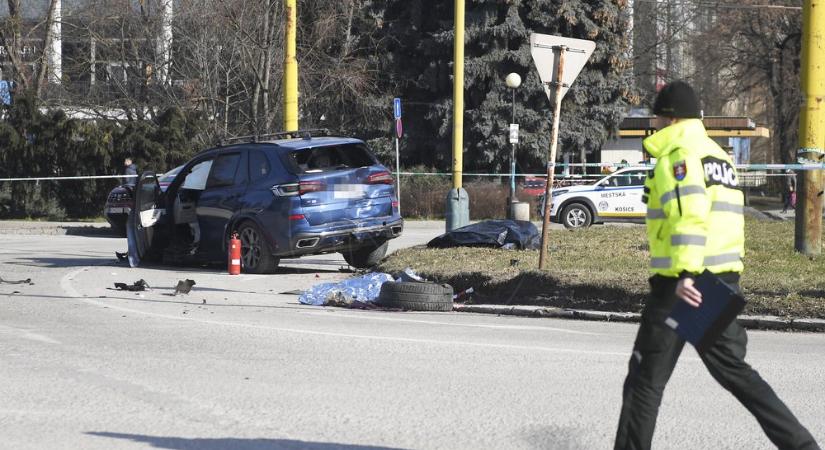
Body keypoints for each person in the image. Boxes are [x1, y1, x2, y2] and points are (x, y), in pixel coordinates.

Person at [614, 81, 819, 450]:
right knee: (737, 374)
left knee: (644, 382)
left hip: (682, 285)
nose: (655, 127)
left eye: (658, 119)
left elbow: (689, 216)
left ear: (669, 118)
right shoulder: (718, 157)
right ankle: (802, 445)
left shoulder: (679, 155)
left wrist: (686, 274)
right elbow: (728, 218)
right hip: (719, 280)